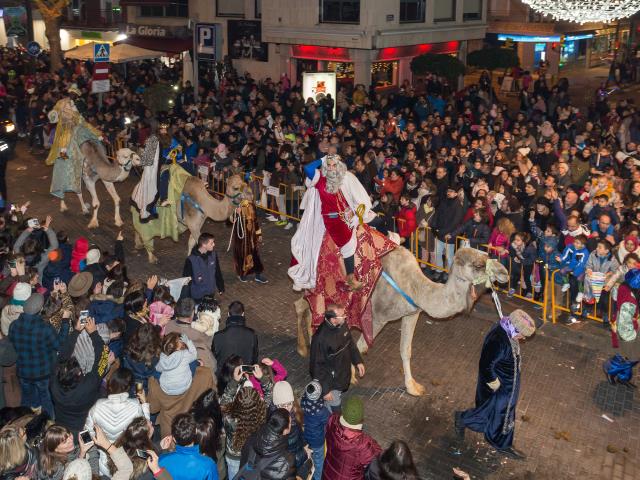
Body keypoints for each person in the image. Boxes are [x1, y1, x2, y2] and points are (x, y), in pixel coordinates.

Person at [455, 309, 537, 459]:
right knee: (501, 415)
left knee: (490, 412)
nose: (522, 339)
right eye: (522, 335)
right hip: (502, 389)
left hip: (506, 387)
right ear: (515, 328)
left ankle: (463, 419)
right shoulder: (499, 341)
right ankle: (502, 443)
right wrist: (496, 385)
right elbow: (486, 365)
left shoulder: (505, 331)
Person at [290, 154, 378, 291]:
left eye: (334, 165)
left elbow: (360, 198)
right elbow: (307, 168)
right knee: (318, 245)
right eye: (328, 165)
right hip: (326, 220)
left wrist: (356, 215)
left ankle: (351, 278)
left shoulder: (347, 177)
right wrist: (322, 159)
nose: (331, 168)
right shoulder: (320, 178)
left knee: (350, 243)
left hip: (345, 217)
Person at [8, 293, 70, 418]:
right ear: (40, 309)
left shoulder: (13, 325)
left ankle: (24, 422)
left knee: (27, 400)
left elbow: (13, 346)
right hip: (43, 373)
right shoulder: (45, 328)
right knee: (46, 399)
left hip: (23, 372)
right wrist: (65, 322)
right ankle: (48, 424)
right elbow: (59, 345)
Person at [50, 316, 110, 433]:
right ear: (78, 373)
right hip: (83, 424)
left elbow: (62, 355)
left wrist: (76, 331)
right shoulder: (88, 386)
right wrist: (93, 333)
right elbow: (102, 359)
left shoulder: (54, 383)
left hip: (61, 421)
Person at [310, 304, 365, 411]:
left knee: (336, 400)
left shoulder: (342, 324)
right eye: (343, 315)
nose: (345, 317)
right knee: (335, 409)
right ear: (333, 319)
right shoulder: (320, 338)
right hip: (331, 383)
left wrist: (358, 361)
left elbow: (350, 344)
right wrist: (325, 390)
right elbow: (316, 367)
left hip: (342, 375)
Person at [323, 396, 381, 480]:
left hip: (328, 474)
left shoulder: (332, 420)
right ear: (361, 419)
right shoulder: (364, 444)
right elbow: (379, 460)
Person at [238, 408, 297, 480]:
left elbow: (242, 466)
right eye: (290, 423)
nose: (291, 424)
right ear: (285, 430)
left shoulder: (251, 439)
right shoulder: (287, 462)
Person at [159, 413, 219, 480]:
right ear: (196, 431)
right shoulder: (208, 464)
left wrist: (163, 451)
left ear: (174, 439)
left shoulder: (161, 460)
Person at [229, 186, 268, 284]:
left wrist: (259, 234)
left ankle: (258, 275)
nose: (252, 197)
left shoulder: (252, 205)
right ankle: (242, 274)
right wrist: (236, 214)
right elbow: (230, 221)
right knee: (242, 255)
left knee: (255, 255)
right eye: (249, 195)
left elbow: (255, 221)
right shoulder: (237, 205)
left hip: (252, 237)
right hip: (241, 238)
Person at [212, 300, 258, 377]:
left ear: (228, 314)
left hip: (224, 374)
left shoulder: (218, 336)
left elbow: (214, 357)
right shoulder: (252, 334)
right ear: (243, 314)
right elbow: (255, 356)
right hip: (244, 374)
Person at [182, 233, 225, 303]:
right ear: (204, 245)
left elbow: (217, 272)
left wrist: (221, 287)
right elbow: (186, 280)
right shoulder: (190, 260)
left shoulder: (213, 255)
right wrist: (188, 297)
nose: (214, 244)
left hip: (210, 293)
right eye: (211, 243)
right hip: (197, 296)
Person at [301, 380, 330, 480]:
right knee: (319, 461)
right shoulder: (322, 411)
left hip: (306, 437)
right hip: (318, 441)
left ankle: (310, 470)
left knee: (310, 455)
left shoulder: (303, 401)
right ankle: (318, 477)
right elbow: (328, 421)